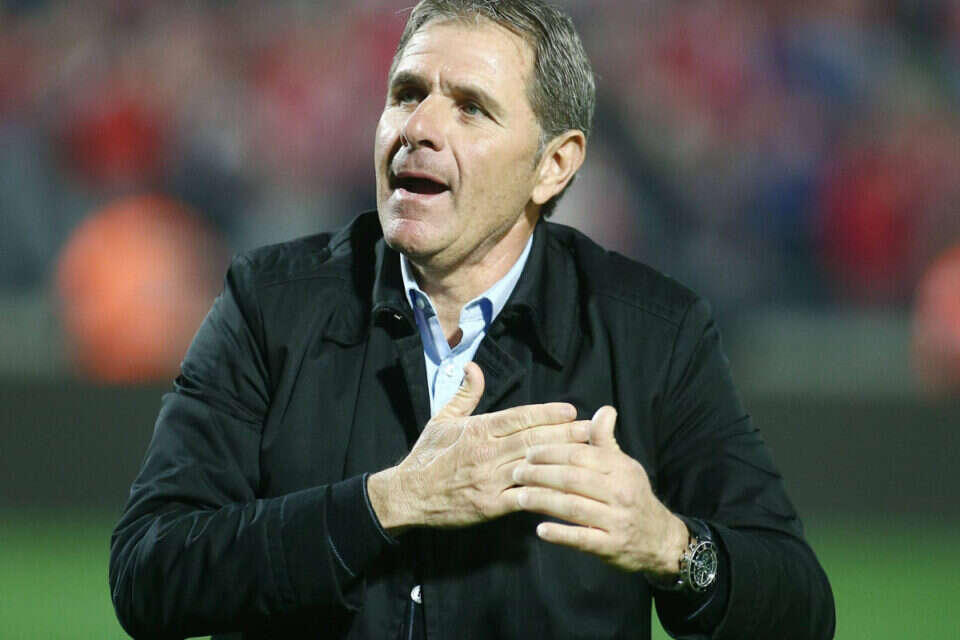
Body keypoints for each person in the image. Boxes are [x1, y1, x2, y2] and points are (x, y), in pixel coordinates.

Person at [110, 1, 835, 638]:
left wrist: (672, 547)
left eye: (471, 108)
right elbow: (148, 571)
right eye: (406, 94)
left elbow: (800, 606)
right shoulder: (270, 306)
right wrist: (385, 503)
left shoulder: (653, 334)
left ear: (553, 165)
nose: (418, 127)